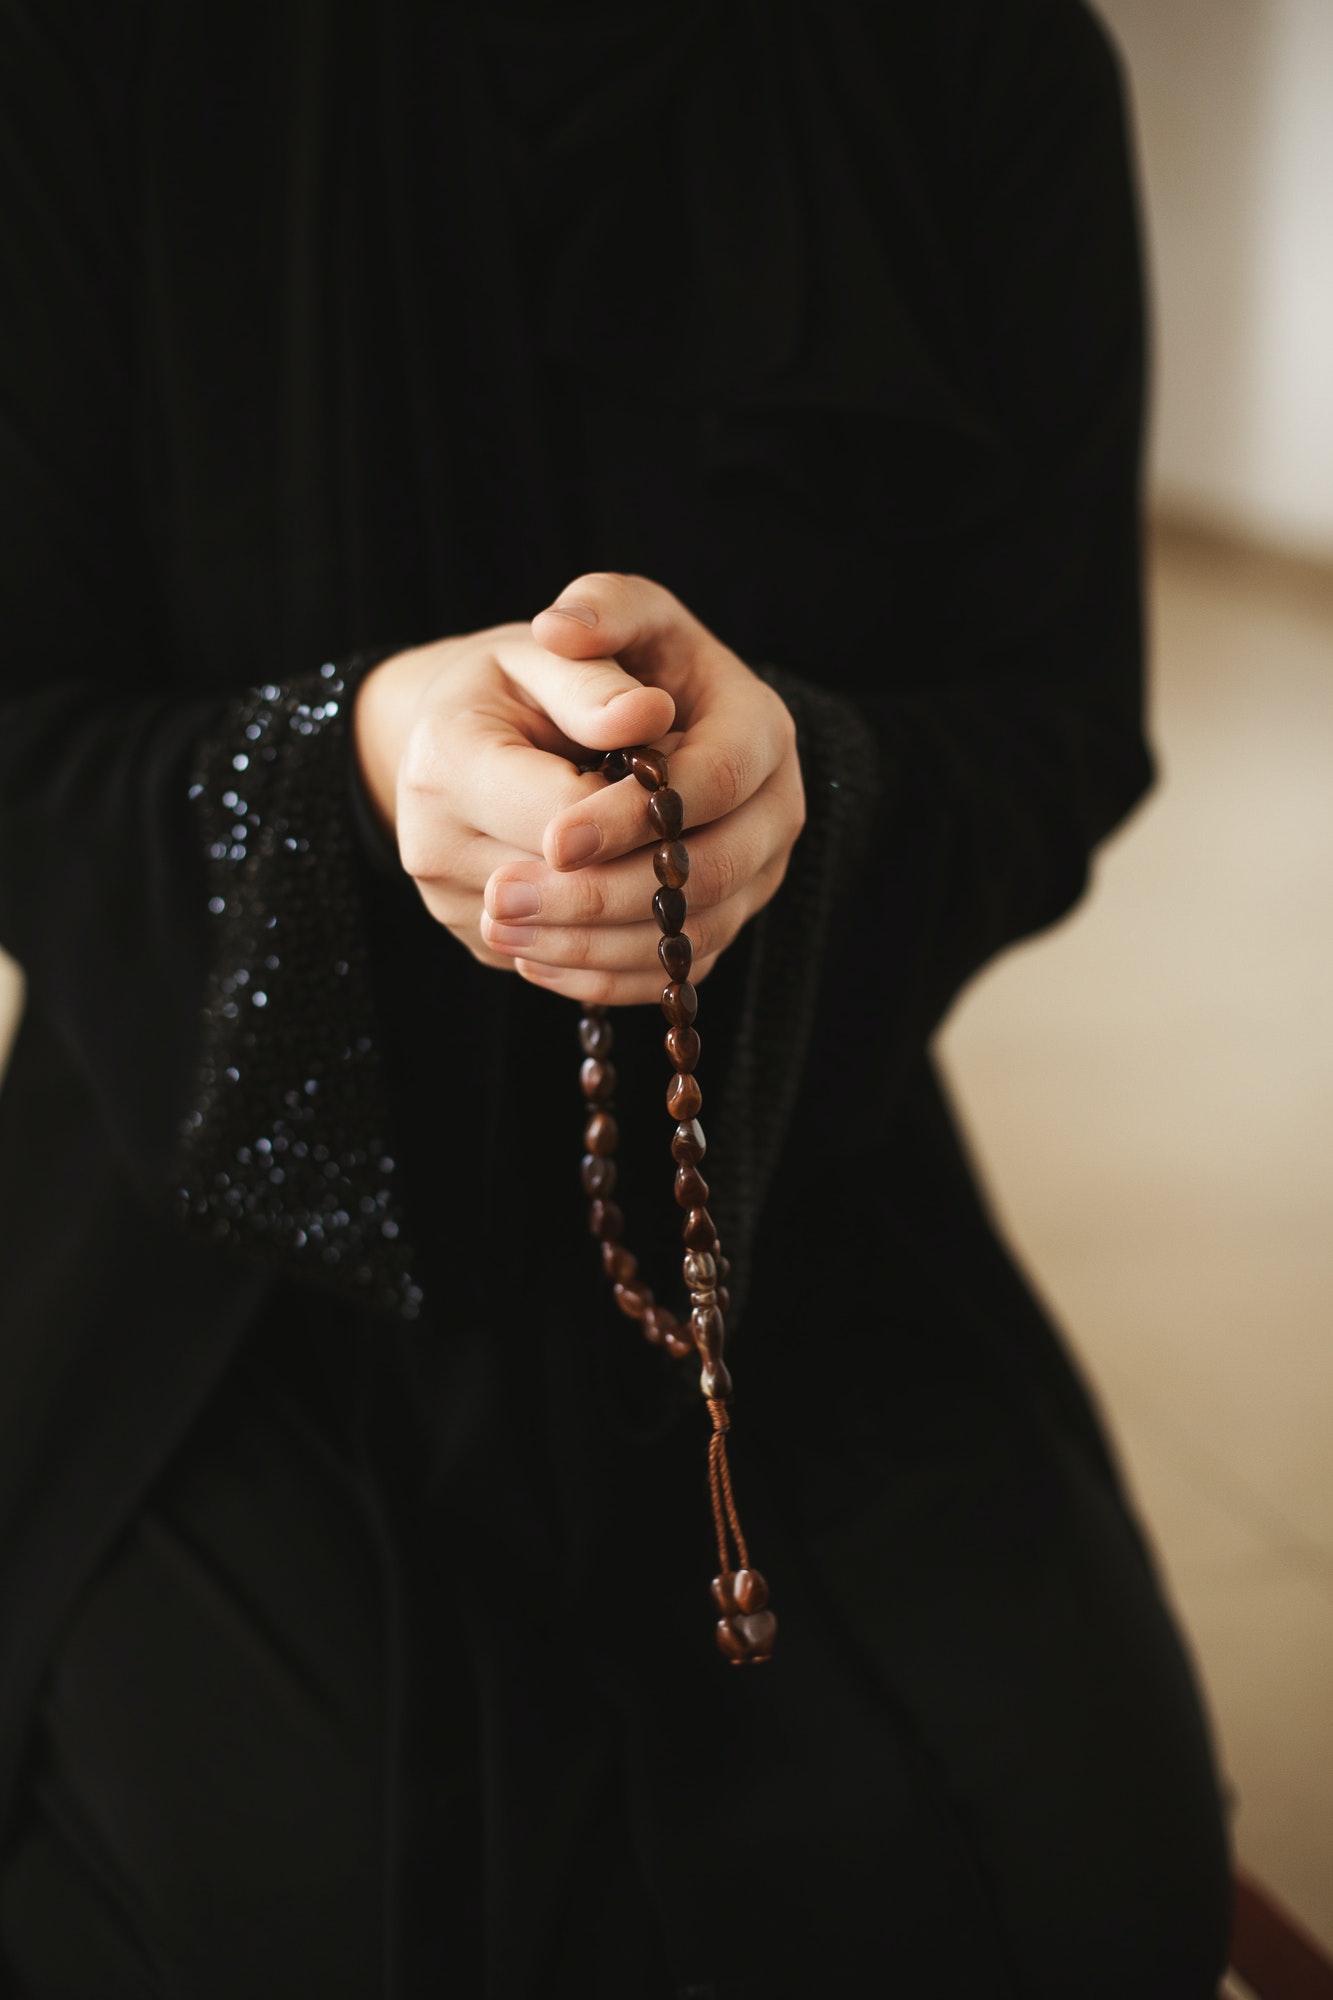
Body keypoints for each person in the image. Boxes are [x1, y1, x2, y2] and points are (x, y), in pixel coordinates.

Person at [0, 1, 1233, 1993]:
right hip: (214, 1207)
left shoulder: (986, 67)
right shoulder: (85, 56)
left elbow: (1055, 712)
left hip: (787, 1196)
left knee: (1076, 1869)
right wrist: (356, 753)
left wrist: (809, 791)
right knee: (284, 1905)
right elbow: (25, 719)